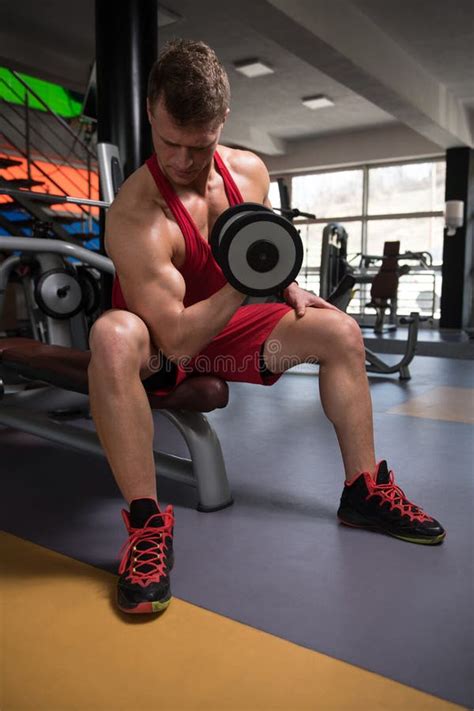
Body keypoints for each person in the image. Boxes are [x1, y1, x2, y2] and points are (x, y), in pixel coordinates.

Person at [87, 39, 446, 616]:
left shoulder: (249, 172)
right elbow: (179, 338)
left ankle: (364, 490)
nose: (182, 161)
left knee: (340, 331)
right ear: (150, 111)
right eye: (169, 143)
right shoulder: (137, 213)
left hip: (220, 332)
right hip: (161, 346)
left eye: (199, 145)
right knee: (111, 334)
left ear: (222, 122)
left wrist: (285, 287)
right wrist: (245, 283)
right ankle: (147, 526)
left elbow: (248, 246)